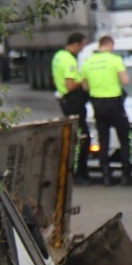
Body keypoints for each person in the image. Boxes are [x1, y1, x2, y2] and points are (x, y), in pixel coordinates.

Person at [80, 35, 132, 187]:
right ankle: (125, 174)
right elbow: (125, 81)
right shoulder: (115, 59)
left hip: (97, 104)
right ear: (109, 44)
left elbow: (85, 87)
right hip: (114, 103)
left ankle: (106, 174)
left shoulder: (88, 62)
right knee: (124, 138)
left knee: (104, 140)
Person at [52, 32, 90, 183]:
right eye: (82, 46)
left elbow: (55, 81)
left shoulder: (58, 56)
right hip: (74, 102)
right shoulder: (69, 60)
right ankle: (79, 173)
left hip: (65, 102)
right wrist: (82, 80)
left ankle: (73, 172)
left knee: (74, 136)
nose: (82, 49)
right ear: (75, 44)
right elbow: (69, 86)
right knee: (82, 138)